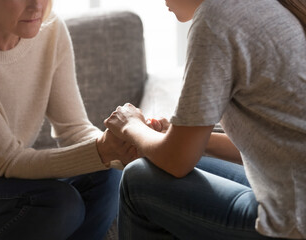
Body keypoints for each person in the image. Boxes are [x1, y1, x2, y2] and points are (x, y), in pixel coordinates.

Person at [104, 0, 306, 239]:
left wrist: (130, 125)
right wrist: (183, 138)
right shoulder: (263, 6)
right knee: (157, 162)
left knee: (138, 179)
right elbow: (273, 146)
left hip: (295, 222)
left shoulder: (216, 17)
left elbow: (176, 162)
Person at [0, 0, 137, 239]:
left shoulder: (49, 27)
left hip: (6, 179)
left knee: (107, 171)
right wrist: (103, 150)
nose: (37, 5)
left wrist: (122, 145)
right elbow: (10, 160)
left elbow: (75, 128)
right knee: (61, 204)